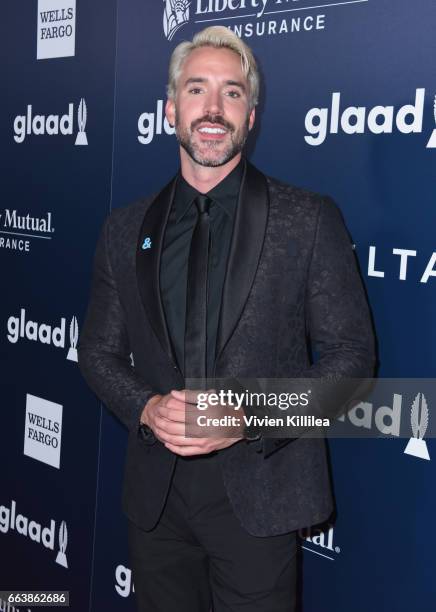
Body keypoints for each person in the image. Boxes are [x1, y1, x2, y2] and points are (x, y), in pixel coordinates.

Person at [78, 26, 374, 612]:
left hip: (260, 499)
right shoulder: (123, 229)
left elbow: (353, 361)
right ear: (170, 109)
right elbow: (97, 352)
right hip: (156, 504)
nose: (213, 109)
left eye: (232, 93)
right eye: (197, 90)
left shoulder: (306, 219)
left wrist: (248, 415)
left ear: (252, 114)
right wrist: (145, 407)